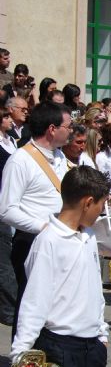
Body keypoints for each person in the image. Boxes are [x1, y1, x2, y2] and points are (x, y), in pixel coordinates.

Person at [10, 165, 110, 367]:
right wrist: (20, 356)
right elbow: (34, 301)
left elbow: (94, 288)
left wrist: (101, 333)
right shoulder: (48, 242)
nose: (102, 212)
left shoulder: (88, 236)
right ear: (88, 202)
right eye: (101, 205)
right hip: (60, 347)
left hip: (92, 346)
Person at [0, 102, 72, 335]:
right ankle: (23, 366)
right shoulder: (20, 160)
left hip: (62, 241)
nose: (71, 130)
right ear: (52, 129)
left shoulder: (62, 157)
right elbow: (6, 210)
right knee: (30, 311)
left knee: (57, 310)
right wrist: (44, 227)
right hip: (33, 242)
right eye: (68, 126)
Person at [0, 107, 17, 326]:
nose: (10, 120)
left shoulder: (10, 141)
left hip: (10, 200)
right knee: (4, 263)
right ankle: (9, 310)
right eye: (5, 117)